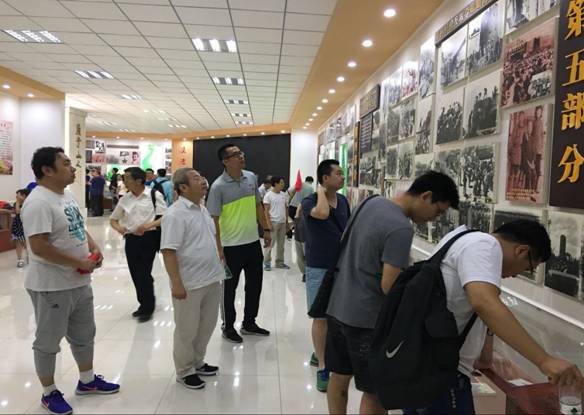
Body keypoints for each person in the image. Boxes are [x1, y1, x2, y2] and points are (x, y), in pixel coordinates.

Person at [403, 220, 584, 414]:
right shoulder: (484, 246)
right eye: (528, 268)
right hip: (440, 372)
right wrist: (544, 360)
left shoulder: (462, 238)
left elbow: (472, 306)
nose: (516, 275)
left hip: (424, 364)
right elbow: (484, 303)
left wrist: (484, 355)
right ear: (521, 251)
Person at [325, 171, 460, 414]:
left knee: (339, 378)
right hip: (366, 321)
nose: (434, 219)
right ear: (426, 196)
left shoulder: (369, 203)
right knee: (375, 393)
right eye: (437, 211)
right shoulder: (400, 227)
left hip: (337, 308)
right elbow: (389, 286)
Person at [21, 147, 120, 415]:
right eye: (65, 163)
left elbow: (79, 227)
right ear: (47, 170)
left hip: (78, 281)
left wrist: (94, 248)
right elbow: (39, 247)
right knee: (48, 342)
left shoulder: (67, 195)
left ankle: (87, 381)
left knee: (84, 335)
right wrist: (78, 263)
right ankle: (49, 392)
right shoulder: (38, 202)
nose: (73, 167)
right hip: (51, 286)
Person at [161, 168, 222, 390]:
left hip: (211, 278)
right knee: (186, 330)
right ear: (183, 188)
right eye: (196, 178)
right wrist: (176, 283)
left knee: (206, 325)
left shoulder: (202, 209)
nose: (203, 181)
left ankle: (197, 361)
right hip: (189, 283)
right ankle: (185, 370)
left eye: (202, 177)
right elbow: (168, 251)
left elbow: (210, 238)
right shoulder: (175, 214)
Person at [207, 144, 272, 343]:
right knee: (229, 289)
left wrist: (266, 229)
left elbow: (258, 205)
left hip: (252, 243)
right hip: (230, 247)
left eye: (241, 153)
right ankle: (228, 326)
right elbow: (213, 220)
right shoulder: (218, 187)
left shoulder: (251, 177)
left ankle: (249, 323)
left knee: (254, 286)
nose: (241, 156)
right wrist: (218, 248)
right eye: (236, 155)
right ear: (225, 161)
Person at [301, 160, 350, 392]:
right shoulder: (310, 201)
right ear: (325, 178)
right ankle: (323, 366)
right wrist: (321, 192)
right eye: (338, 174)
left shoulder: (343, 201)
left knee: (336, 316)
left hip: (341, 266)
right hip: (319, 266)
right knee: (320, 317)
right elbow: (321, 214)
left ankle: (320, 351)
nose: (342, 177)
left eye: (342, 173)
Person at [110, 167, 167, 323]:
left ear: (138, 180)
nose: (124, 181)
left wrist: (148, 225)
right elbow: (113, 219)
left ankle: (148, 307)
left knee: (143, 272)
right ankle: (143, 303)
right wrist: (119, 228)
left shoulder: (154, 195)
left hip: (149, 238)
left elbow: (165, 217)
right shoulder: (125, 198)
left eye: (127, 178)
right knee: (135, 273)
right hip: (131, 239)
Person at [262, 176, 290, 271]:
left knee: (281, 245)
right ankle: (267, 263)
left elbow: (286, 209)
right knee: (270, 244)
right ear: (275, 184)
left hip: (282, 223)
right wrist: (268, 224)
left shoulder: (283, 195)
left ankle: (279, 262)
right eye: (281, 182)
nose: (283, 184)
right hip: (273, 222)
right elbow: (266, 211)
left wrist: (287, 221)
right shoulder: (268, 195)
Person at [0, 188, 31, 267]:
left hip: (25, 226)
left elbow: (18, 211)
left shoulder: (28, 204)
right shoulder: (16, 204)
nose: (16, 197)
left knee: (25, 243)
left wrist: (17, 201)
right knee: (18, 243)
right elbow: (14, 212)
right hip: (17, 225)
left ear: (24, 196)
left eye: (18, 195)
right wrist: (5, 210)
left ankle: (30, 256)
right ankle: (20, 259)